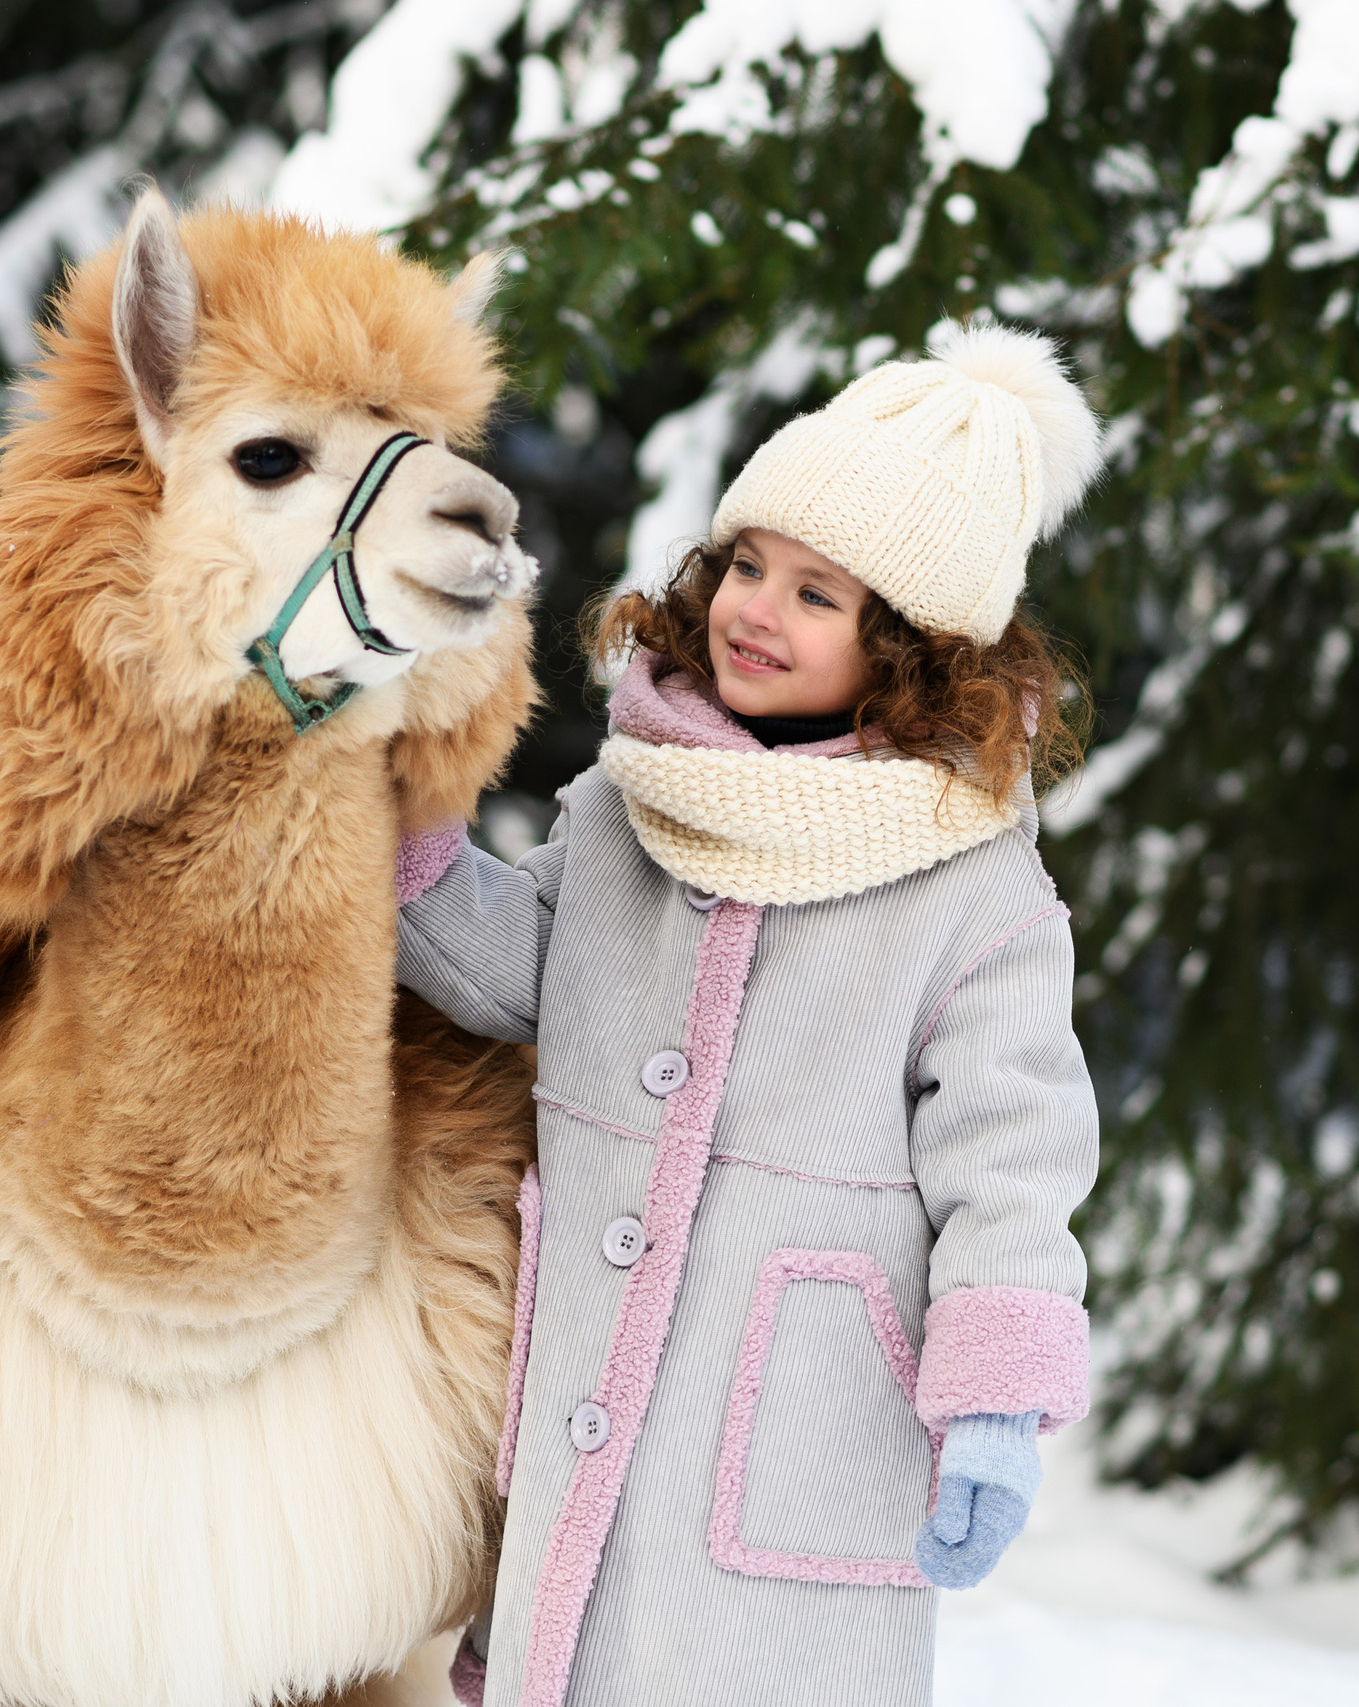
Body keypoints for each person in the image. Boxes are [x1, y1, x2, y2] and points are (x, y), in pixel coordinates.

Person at [396, 323, 1105, 1707]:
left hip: (801, 1426)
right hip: (596, 1380)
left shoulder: (973, 895)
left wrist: (996, 1403)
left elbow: (1013, 1162)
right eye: (747, 565)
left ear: (905, 648)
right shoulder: (625, 807)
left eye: (818, 594)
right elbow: (522, 964)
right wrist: (387, 840)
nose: (754, 608)